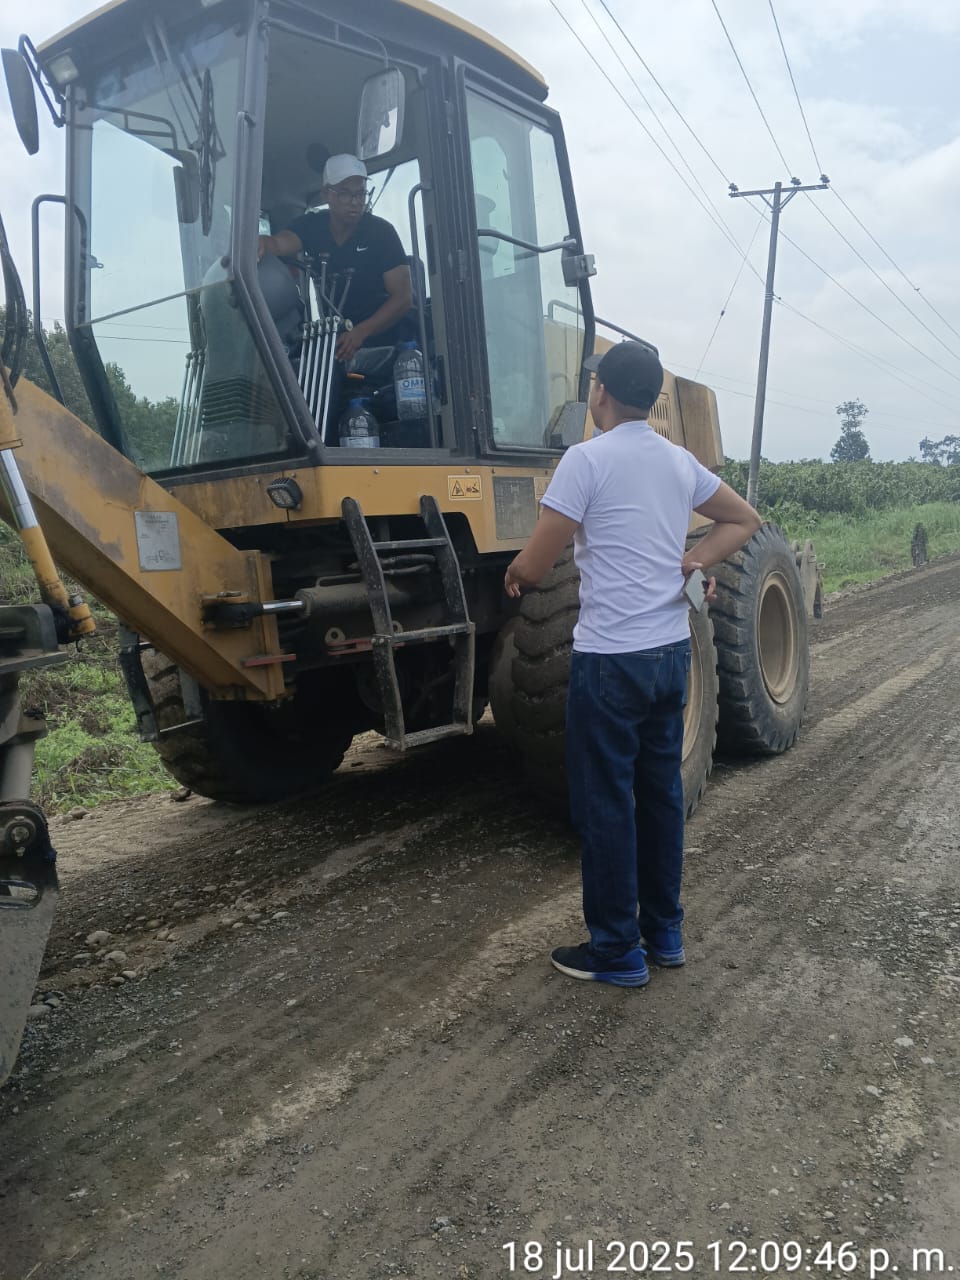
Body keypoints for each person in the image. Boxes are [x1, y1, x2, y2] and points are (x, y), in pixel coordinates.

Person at [504, 341, 761, 988]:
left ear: (600, 393)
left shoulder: (586, 459)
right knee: (659, 795)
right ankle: (664, 934)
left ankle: (617, 950)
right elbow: (743, 519)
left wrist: (516, 574)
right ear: (652, 399)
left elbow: (538, 561)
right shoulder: (678, 461)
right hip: (669, 654)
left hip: (610, 663)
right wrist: (696, 560)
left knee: (607, 804)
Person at [257, 154, 413, 363]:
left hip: (382, 346)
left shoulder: (382, 233)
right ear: (326, 194)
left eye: (360, 194)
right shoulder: (311, 225)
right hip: (334, 344)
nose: (355, 202)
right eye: (345, 194)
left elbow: (403, 298)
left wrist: (360, 332)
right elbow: (278, 244)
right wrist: (259, 243)